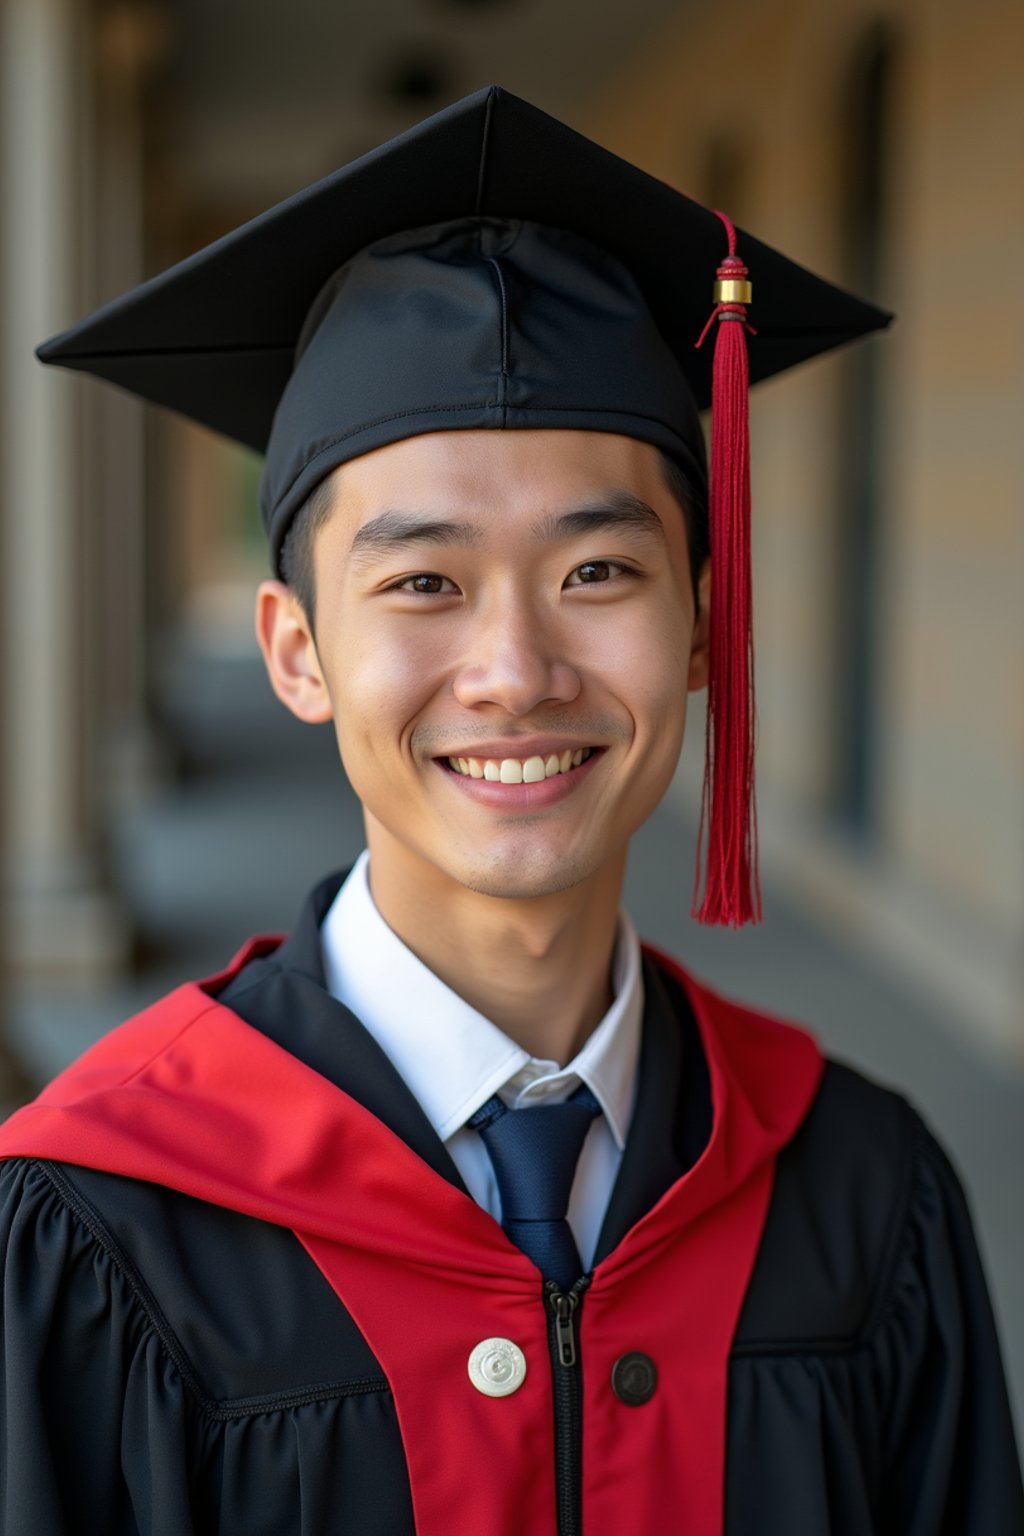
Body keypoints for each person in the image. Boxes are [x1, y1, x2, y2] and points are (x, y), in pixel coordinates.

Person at [0, 86, 1020, 1536]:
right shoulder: (99, 1222)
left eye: (598, 573)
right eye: (424, 582)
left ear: (703, 628)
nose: (517, 673)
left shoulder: (861, 1192)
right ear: (298, 652)